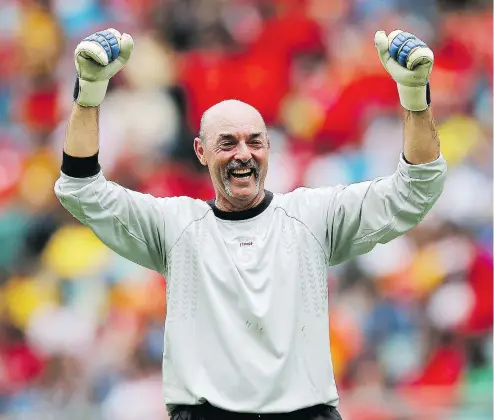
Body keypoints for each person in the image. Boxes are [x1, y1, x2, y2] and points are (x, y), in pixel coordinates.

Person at [55, 28, 446, 420]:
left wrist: (414, 96)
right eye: (227, 143)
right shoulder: (175, 226)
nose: (243, 154)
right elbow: (81, 188)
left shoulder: (312, 216)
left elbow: (415, 189)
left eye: (254, 141)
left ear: (269, 147)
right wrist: (89, 93)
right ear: (201, 152)